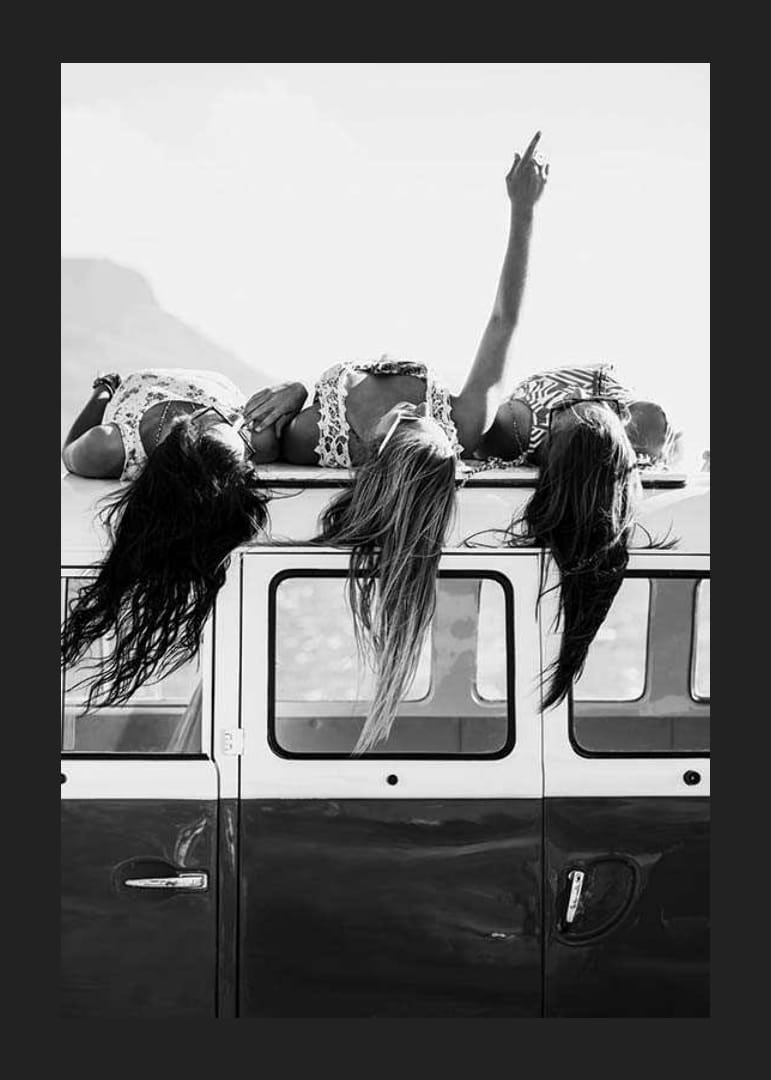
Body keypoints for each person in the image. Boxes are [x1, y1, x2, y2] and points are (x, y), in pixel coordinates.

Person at [242, 132, 549, 753]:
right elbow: (503, 321)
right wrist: (524, 211)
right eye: (423, 426)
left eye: (405, 424)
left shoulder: (317, 442)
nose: (412, 411)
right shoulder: (461, 423)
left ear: (375, 454)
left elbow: (257, 438)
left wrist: (293, 393)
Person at [61, 368, 289, 709]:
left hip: (162, 384)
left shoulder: (108, 447)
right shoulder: (255, 440)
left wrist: (105, 388)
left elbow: (69, 451)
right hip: (198, 380)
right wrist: (294, 391)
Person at [470, 362, 677, 710]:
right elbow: (674, 446)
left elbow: (472, 440)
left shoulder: (515, 428)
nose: (580, 396)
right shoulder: (649, 424)